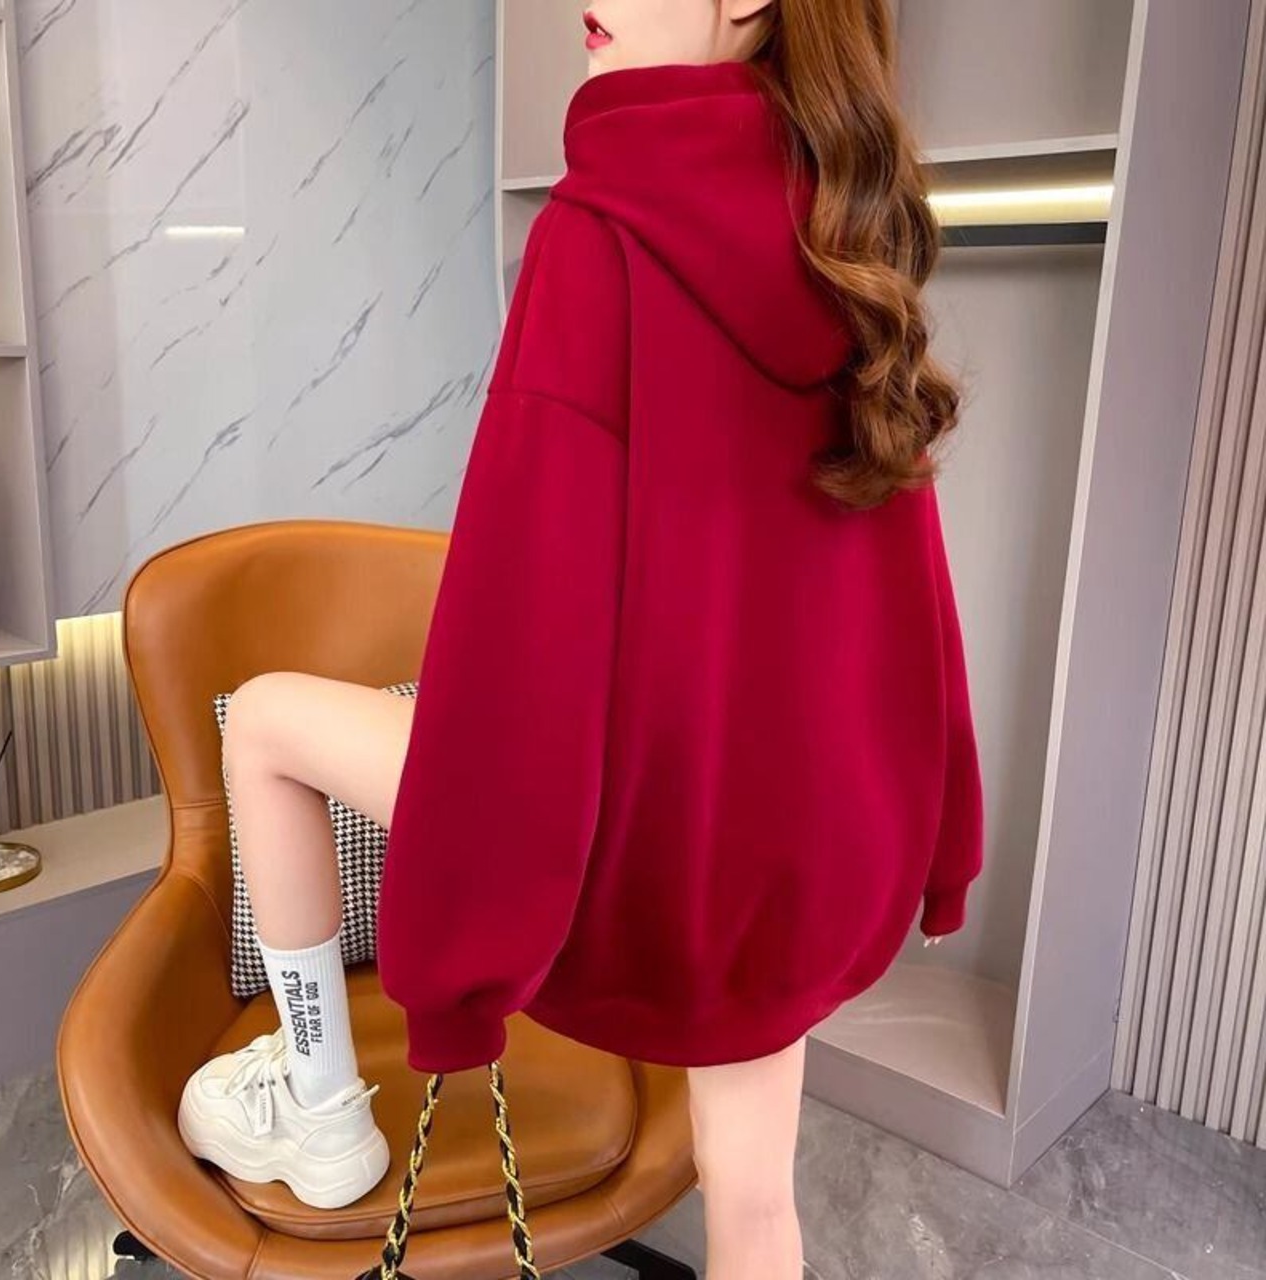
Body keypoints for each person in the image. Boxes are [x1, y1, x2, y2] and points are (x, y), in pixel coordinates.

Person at [177, 1, 984, 1275]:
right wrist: (945, 838)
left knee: (267, 717)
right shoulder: (847, 237)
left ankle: (320, 1102)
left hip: (629, 845)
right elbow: (906, 592)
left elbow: (522, 614)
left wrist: (464, 961)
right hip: (793, 846)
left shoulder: (599, 231)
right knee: (755, 1202)